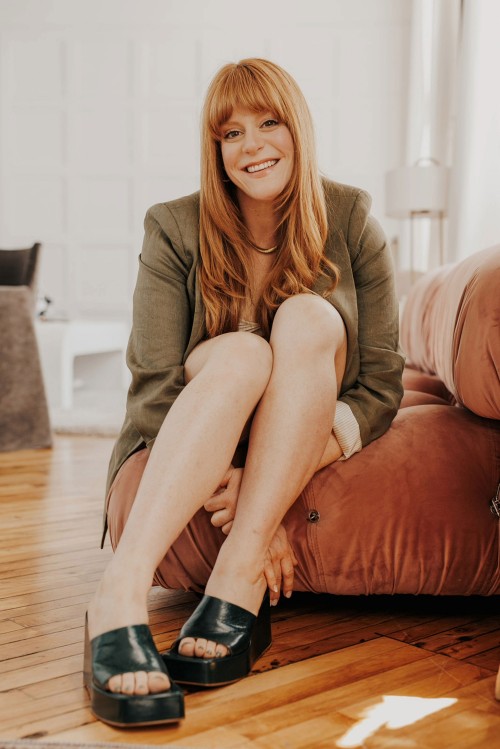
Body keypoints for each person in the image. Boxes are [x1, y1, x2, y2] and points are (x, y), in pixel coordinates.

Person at [84, 58, 405, 727]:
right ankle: (118, 592)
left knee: (309, 316)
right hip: (206, 409)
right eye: (231, 133)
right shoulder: (173, 226)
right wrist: (233, 471)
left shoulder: (353, 218)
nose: (252, 145)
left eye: (268, 123)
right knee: (243, 351)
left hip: (306, 413)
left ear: (297, 128)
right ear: (216, 149)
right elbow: (154, 385)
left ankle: (240, 570)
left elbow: (379, 384)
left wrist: (267, 483)